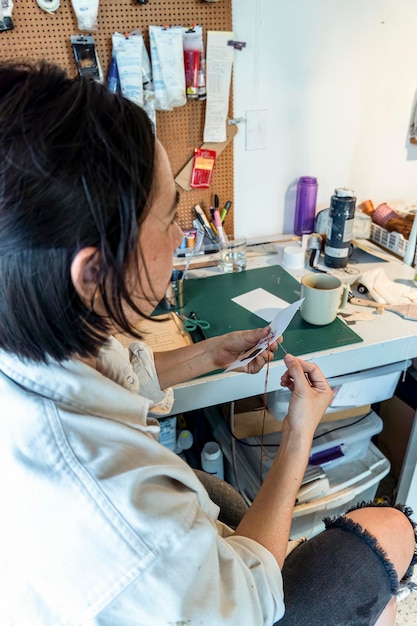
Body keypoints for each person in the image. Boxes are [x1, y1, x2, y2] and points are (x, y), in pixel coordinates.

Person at [0, 61, 414, 626]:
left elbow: (111, 376)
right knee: (390, 528)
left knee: (224, 496)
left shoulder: (32, 338)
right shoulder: (123, 504)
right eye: (171, 217)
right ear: (93, 272)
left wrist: (205, 353)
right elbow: (252, 601)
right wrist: (298, 433)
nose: (180, 238)